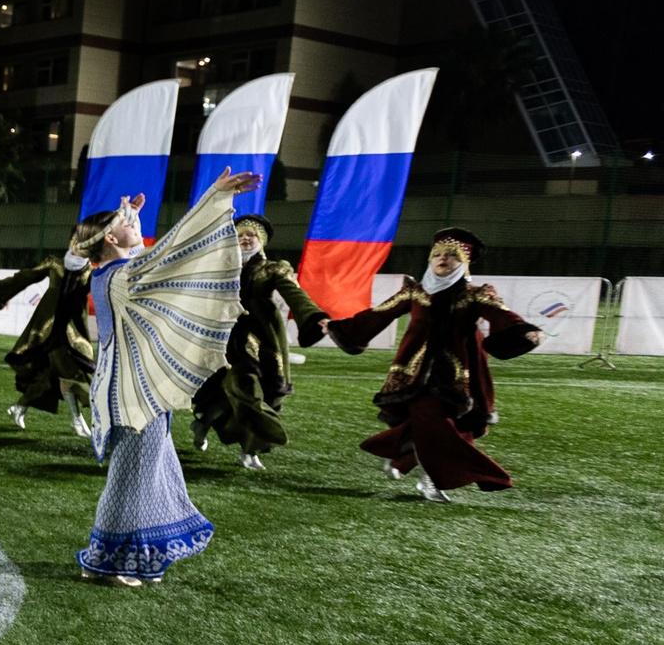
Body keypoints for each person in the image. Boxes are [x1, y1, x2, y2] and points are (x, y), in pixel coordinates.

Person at [77, 177, 252, 586]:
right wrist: (214, 198)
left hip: (131, 391)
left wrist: (131, 220)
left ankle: (139, 554)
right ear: (108, 238)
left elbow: (146, 257)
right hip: (133, 395)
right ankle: (104, 562)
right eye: (125, 223)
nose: (134, 225)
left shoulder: (111, 275)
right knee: (131, 481)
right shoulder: (121, 278)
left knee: (154, 476)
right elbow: (173, 253)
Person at [324, 227, 541, 501]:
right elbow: (379, 314)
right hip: (414, 373)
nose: (442, 259)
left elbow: (502, 315)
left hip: (456, 373)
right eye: (437, 254)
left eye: (451, 255)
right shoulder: (415, 293)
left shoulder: (475, 294)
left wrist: (525, 332)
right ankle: (436, 477)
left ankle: (404, 456)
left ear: (464, 262)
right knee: (435, 425)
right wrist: (339, 328)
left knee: (452, 428)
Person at [189, 214, 329, 470]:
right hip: (224, 339)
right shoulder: (221, 269)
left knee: (248, 393)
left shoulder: (273, 269)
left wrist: (313, 317)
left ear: (261, 240)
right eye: (240, 235)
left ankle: (209, 427)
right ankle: (242, 444)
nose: (245, 239)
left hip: (261, 342)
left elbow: (295, 294)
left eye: (251, 235)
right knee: (238, 389)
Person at [0, 214, 111, 437]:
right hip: (47, 328)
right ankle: (77, 420)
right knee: (69, 373)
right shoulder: (55, 263)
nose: (77, 244)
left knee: (53, 373)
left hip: (74, 330)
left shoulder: (92, 272)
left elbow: (106, 292)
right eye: (75, 240)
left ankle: (21, 406)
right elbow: (26, 277)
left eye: (83, 242)